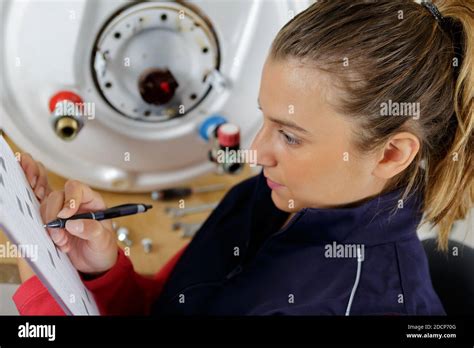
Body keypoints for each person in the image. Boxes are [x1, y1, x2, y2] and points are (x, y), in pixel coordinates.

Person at [13, 0, 473, 315]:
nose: (255, 151)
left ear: (391, 153)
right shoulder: (270, 198)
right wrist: (100, 271)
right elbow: (171, 307)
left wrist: (42, 301)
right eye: (265, 118)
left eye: (290, 136)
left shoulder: (353, 304)